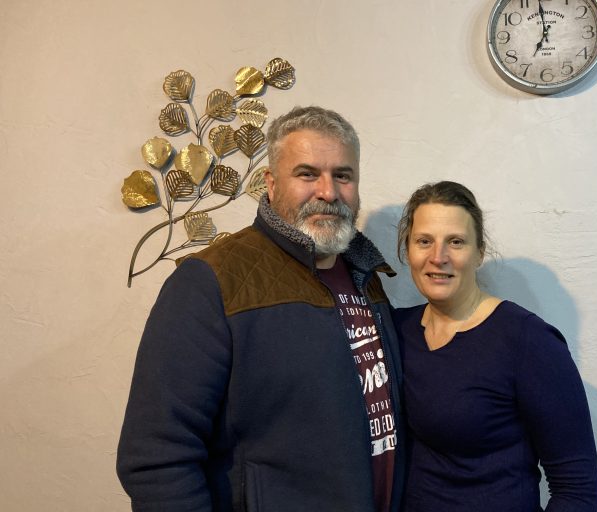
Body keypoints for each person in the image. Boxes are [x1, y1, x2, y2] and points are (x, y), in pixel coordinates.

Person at [117, 106, 404, 512]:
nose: (328, 192)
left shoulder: (365, 275)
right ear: (270, 183)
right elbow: (156, 457)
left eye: (343, 175)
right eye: (307, 174)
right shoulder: (209, 282)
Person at [394, 181, 597, 512]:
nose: (438, 257)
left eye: (456, 242)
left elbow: (578, 490)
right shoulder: (395, 330)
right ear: (408, 250)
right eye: (424, 241)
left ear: (479, 252)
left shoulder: (527, 341)